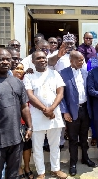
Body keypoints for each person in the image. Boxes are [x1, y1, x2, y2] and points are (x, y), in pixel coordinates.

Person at [0, 48, 32, 179]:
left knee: (13, 174)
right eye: (1, 59)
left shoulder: (17, 82)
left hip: (16, 138)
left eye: (7, 59)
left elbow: (24, 107)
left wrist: (29, 127)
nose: (5, 62)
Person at [23, 50, 67, 179]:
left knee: (55, 145)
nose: (42, 60)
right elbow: (30, 96)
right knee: (37, 147)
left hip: (54, 115)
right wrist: (45, 110)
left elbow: (60, 93)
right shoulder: (29, 76)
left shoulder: (55, 74)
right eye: (39, 58)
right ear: (33, 61)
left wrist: (51, 108)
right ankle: (41, 172)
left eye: (44, 58)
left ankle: (55, 169)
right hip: (37, 117)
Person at [60, 51, 96, 176]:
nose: (82, 62)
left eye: (83, 60)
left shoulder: (85, 72)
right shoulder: (63, 73)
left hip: (85, 109)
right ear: (71, 61)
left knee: (84, 137)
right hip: (71, 111)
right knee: (73, 139)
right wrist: (65, 112)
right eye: (80, 60)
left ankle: (85, 158)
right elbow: (61, 96)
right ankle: (73, 163)